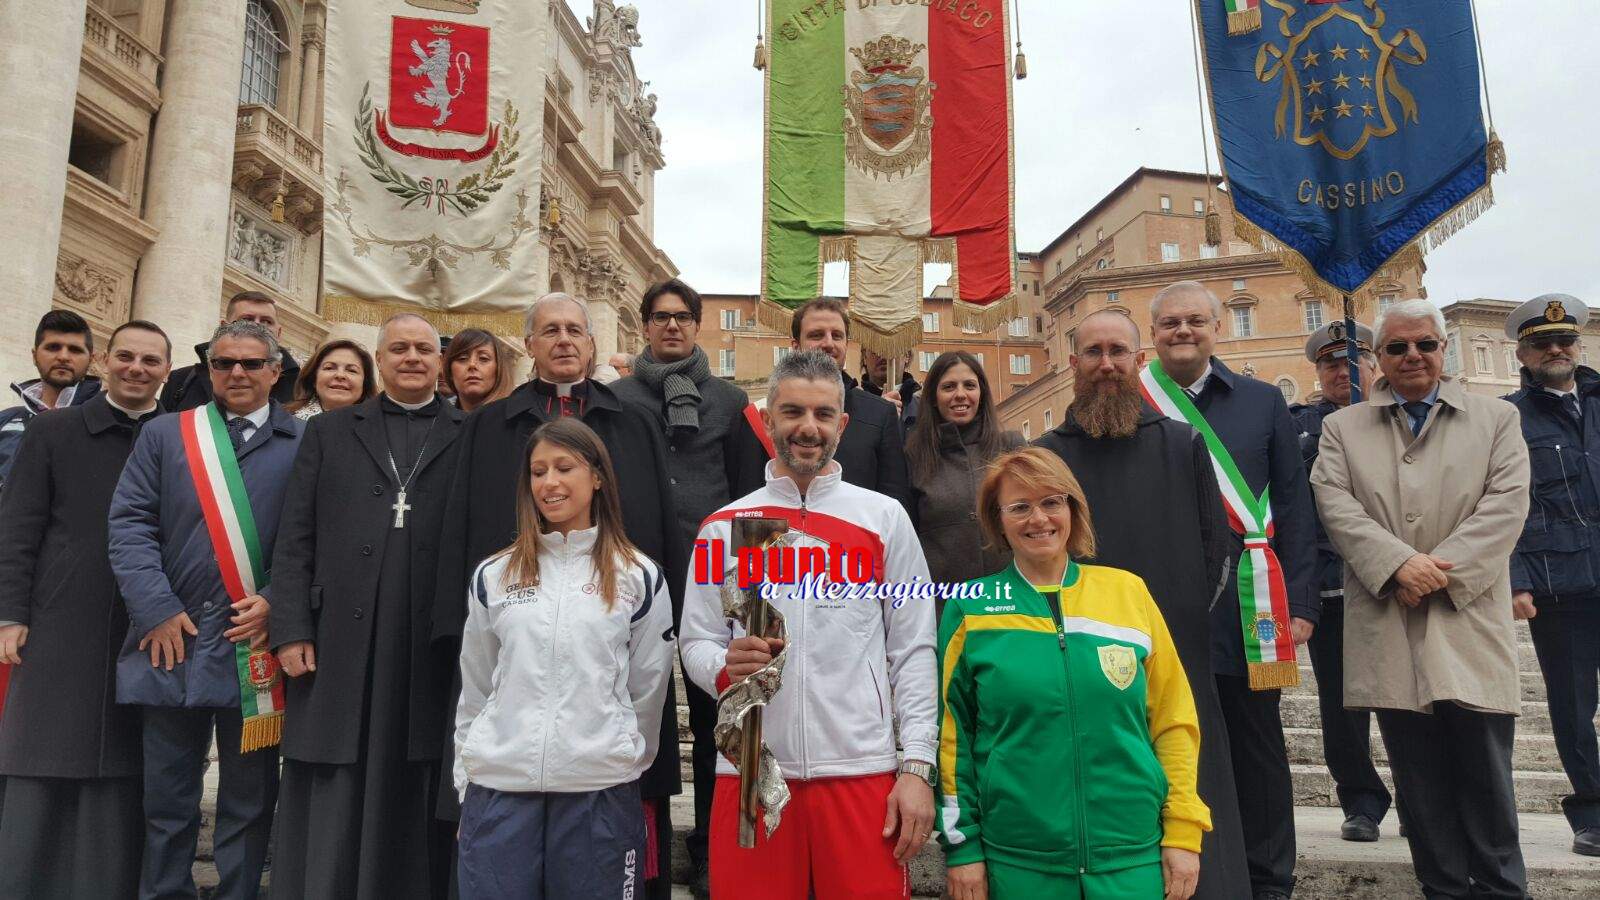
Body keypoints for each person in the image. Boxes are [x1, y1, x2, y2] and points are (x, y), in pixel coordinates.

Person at [433, 292, 686, 899]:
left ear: (592, 343)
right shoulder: (490, 426)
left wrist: (629, 749)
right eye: (550, 330)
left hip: (604, 672)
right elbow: (459, 528)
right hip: (513, 665)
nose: (565, 339)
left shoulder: (633, 422)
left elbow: (659, 526)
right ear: (530, 344)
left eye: (576, 328)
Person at [680, 350, 937, 900]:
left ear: (842, 425)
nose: (807, 427)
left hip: (862, 769)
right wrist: (724, 669)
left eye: (823, 414)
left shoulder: (883, 518)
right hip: (751, 769)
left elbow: (913, 647)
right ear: (767, 418)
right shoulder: (724, 528)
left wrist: (916, 765)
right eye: (792, 411)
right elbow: (696, 640)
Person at [1311, 298, 1531, 897]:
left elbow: (1507, 503)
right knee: (1420, 783)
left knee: (1486, 779)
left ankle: (1501, 890)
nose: (1413, 356)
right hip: (1388, 616)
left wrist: (1438, 573)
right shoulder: (1341, 427)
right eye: (1398, 347)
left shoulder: (1496, 419)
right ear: (1378, 358)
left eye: (1425, 344)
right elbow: (1336, 506)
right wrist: (1397, 565)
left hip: (1466, 618)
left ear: (1443, 349)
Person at [1034, 308, 1250, 899]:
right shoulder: (1046, 455)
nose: (1106, 365)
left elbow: (1214, 551)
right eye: (1094, 353)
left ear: (1139, 361)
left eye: (1118, 353)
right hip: (1075, 665)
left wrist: (1174, 623)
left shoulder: (1183, 445)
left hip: (1174, 651)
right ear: (1072, 364)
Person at [940, 447, 1207, 899]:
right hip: (1018, 862)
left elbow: (1173, 721)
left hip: (1132, 857)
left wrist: (1183, 830)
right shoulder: (971, 607)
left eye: (1051, 502)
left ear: (1072, 509)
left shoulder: (1128, 593)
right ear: (997, 520)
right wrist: (962, 848)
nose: (1038, 518)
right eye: (1019, 506)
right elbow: (951, 737)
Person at [268, 314, 464, 899]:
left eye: (423, 349)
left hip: (427, 637)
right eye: (399, 348)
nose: (411, 357)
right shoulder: (330, 431)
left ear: (439, 362)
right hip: (337, 634)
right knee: (333, 769)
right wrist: (290, 627)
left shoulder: (467, 431)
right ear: (380, 358)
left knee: (418, 763)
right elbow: (295, 533)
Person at [109, 319, 305, 900]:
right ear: (207, 370)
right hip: (173, 642)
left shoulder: (304, 441)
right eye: (223, 364)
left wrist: (277, 601)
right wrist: (155, 609)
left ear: (276, 371)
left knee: (248, 802)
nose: (236, 373)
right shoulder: (167, 434)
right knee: (166, 800)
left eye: (250, 363)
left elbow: (315, 538)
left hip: (254, 648)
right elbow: (129, 522)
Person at [1143, 281, 1316, 900]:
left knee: (1259, 751)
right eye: (1169, 324)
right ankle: (1201, 875)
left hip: (1252, 609)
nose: (1182, 331)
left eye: (1194, 321)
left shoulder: (1264, 401)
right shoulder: (1137, 402)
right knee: (1178, 747)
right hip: (1166, 609)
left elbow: (1294, 506)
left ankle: (1270, 880)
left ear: (1217, 327)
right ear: (1153, 333)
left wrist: (1301, 603)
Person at [454, 417, 674, 898]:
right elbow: (476, 687)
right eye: (537, 471)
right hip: (500, 792)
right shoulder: (494, 576)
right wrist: (466, 781)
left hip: (599, 794)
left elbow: (648, 691)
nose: (549, 482)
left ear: (597, 477)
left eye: (564, 467)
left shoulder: (639, 576)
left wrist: (618, 756)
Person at [0, 320, 171, 898]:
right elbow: (17, 527)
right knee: (44, 749)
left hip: (146, 623)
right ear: (104, 362)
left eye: (151, 361)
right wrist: (9, 613)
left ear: (166, 372)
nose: (136, 369)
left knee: (123, 764)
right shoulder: (53, 430)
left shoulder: (177, 436)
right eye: (126, 357)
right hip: (59, 614)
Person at [610, 278, 769, 898]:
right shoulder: (617, 398)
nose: (671, 327)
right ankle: (637, 849)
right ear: (644, 327)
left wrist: (750, 584)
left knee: (716, 719)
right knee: (632, 710)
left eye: (682, 317)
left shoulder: (729, 401)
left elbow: (748, 492)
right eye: (660, 318)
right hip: (636, 571)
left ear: (696, 326)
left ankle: (711, 849)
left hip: (716, 577)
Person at [1502, 293, 1600, 857]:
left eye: (1563, 340)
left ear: (1577, 345)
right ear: (1524, 351)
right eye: (1543, 343)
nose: (1556, 349)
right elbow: (1503, 504)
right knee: (1571, 704)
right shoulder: (1509, 416)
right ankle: (1590, 810)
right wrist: (1516, 578)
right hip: (1557, 582)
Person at [1289, 320, 1394, 843]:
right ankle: (1361, 799)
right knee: (1342, 702)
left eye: (1353, 361)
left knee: (1408, 699)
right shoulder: (1299, 426)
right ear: (1318, 372)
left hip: (1400, 583)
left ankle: (1423, 796)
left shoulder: (1401, 418)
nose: (1342, 371)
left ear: (1375, 366)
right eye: (1331, 363)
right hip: (1334, 585)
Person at [904, 350, 1022, 591]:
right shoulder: (913, 456)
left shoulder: (1011, 446)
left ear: (981, 393)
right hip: (944, 605)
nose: (960, 395)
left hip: (1010, 600)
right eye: (948, 387)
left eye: (969, 385)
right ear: (934, 398)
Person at [789, 298, 915, 521]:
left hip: (859, 552)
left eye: (837, 335)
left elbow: (895, 509)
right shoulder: (765, 416)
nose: (829, 343)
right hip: (786, 553)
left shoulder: (880, 413)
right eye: (816, 335)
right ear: (795, 346)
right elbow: (754, 509)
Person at [0, 308, 102, 491]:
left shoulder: (106, 421)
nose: (63, 356)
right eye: (53, 347)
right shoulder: (5, 420)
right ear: (34, 355)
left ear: (92, 360)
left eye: (75, 350)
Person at [162, 291, 300, 412]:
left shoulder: (302, 386)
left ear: (279, 332)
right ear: (224, 327)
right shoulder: (181, 380)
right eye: (246, 319)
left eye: (266, 321)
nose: (257, 326)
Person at [287, 339, 377, 420]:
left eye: (351, 370)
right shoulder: (282, 420)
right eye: (329, 368)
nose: (340, 375)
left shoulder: (379, 432)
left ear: (365, 383)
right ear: (314, 378)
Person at [442, 328, 516, 413]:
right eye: (462, 358)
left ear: (499, 368)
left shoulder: (517, 420)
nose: (472, 364)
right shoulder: (436, 420)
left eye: (483, 358)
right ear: (450, 371)